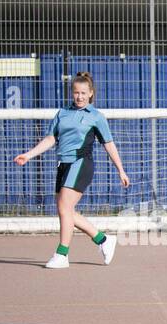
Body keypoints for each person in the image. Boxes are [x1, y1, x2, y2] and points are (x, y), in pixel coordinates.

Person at [13, 72, 129, 269]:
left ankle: (62, 254)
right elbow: (51, 139)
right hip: (63, 165)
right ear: (72, 93)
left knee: (65, 208)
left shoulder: (96, 117)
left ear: (91, 94)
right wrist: (29, 154)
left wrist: (121, 170)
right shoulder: (62, 113)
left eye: (84, 93)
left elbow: (109, 144)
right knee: (64, 210)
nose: (80, 97)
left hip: (81, 163)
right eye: (76, 92)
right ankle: (103, 240)